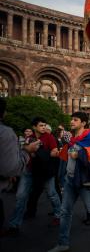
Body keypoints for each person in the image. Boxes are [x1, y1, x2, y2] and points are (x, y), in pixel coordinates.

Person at [48, 112, 90, 252]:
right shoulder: (73, 137)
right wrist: (59, 152)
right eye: (71, 119)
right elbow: (69, 153)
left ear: (83, 123)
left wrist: (79, 154)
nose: (72, 121)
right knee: (65, 210)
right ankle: (63, 243)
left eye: (75, 120)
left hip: (84, 180)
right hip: (70, 179)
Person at [0, 98, 37, 234]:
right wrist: (27, 151)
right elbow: (10, 168)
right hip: (25, 171)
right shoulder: (6, 133)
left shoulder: (47, 138)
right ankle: (15, 224)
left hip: (37, 172)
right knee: (22, 196)